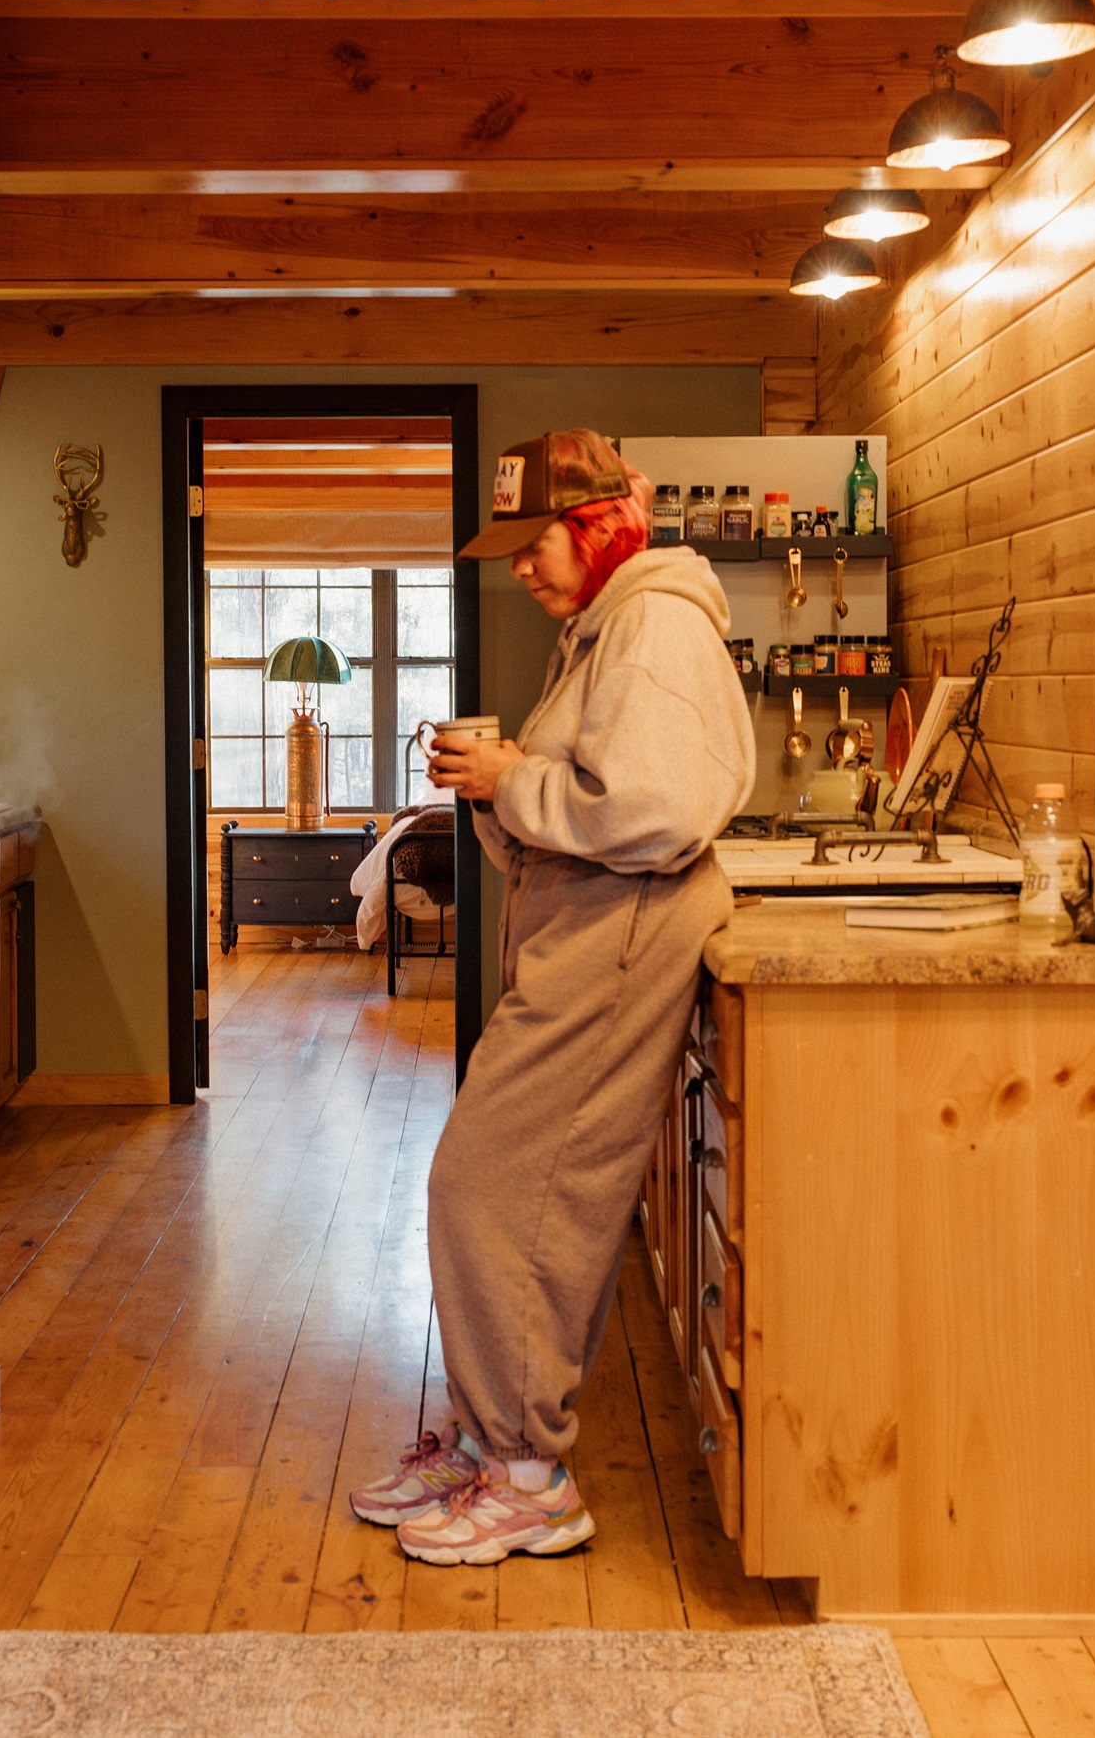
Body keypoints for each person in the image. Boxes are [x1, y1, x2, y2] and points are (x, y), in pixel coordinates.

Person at [348, 428, 754, 1566]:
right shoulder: (603, 627)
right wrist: (504, 781)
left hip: (618, 934)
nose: (518, 569)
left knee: (502, 1189)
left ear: (597, 526)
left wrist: (509, 778)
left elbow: (658, 813)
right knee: (506, 1187)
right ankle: (494, 1444)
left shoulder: (653, 626)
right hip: (587, 930)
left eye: (535, 544)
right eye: (511, 550)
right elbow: (596, 793)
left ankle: (526, 1475)